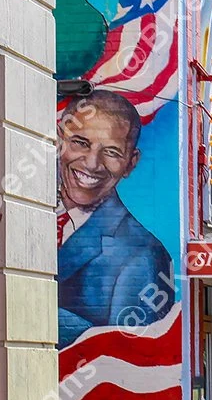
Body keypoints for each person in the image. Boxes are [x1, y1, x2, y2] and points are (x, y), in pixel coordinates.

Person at [57, 90, 175, 347]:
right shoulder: (22, 208)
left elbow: (125, 354)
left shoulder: (144, 257)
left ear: (131, 163)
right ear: (59, 139)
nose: (91, 164)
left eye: (111, 152)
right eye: (80, 142)